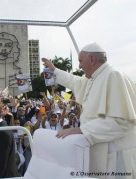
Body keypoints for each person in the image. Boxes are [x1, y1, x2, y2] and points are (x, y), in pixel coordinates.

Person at [42, 42, 136, 178]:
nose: (79, 66)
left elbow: (121, 122)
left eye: (80, 61)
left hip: (116, 156)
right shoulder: (95, 78)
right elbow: (74, 81)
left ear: (92, 59)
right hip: (102, 152)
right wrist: (54, 70)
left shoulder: (113, 75)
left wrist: (80, 130)